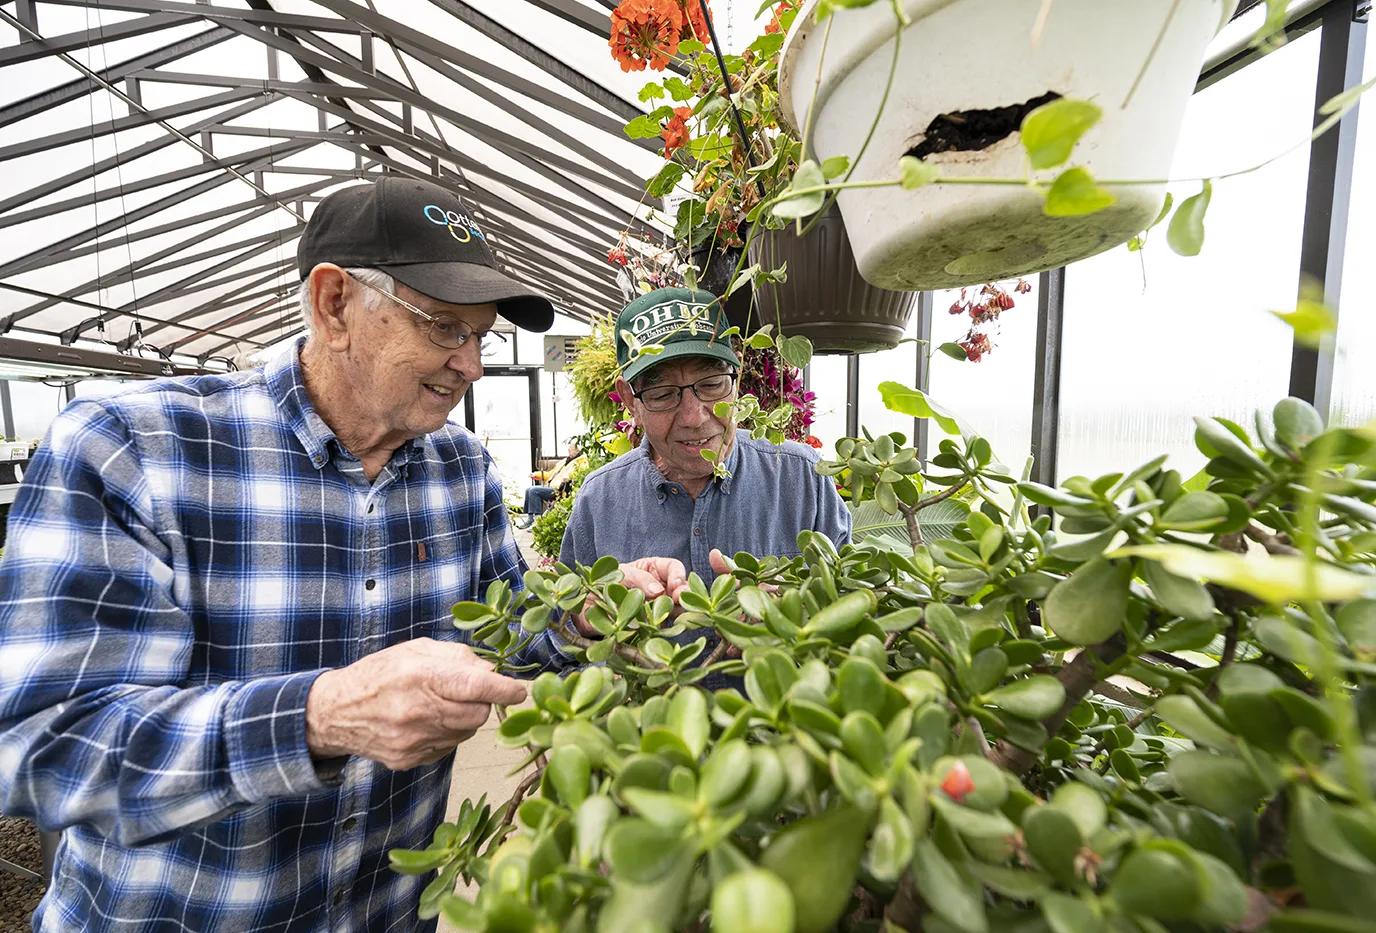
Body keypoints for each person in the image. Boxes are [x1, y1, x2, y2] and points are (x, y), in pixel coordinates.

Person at [0, 177, 678, 932]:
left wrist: (581, 614)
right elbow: (44, 746)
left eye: (482, 337)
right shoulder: (135, 450)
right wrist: (318, 717)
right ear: (334, 306)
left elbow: (507, 633)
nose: (472, 365)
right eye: (445, 328)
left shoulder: (460, 470)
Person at [558, 286, 851, 651]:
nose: (695, 417)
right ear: (631, 400)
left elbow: (853, 598)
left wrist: (800, 610)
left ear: (737, 379)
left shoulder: (801, 477)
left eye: (712, 384)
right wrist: (590, 618)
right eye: (663, 393)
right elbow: (559, 630)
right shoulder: (599, 499)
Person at [520, 443, 582, 528]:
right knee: (528, 490)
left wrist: (569, 478)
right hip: (551, 486)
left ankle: (537, 522)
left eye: (570, 448)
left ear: (577, 450)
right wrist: (536, 474)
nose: (568, 449)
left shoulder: (581, 461)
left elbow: (580, 475)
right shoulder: (564, 462)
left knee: (534, 491)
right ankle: (530, 519)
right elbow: (550, 474)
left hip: (560, 490)